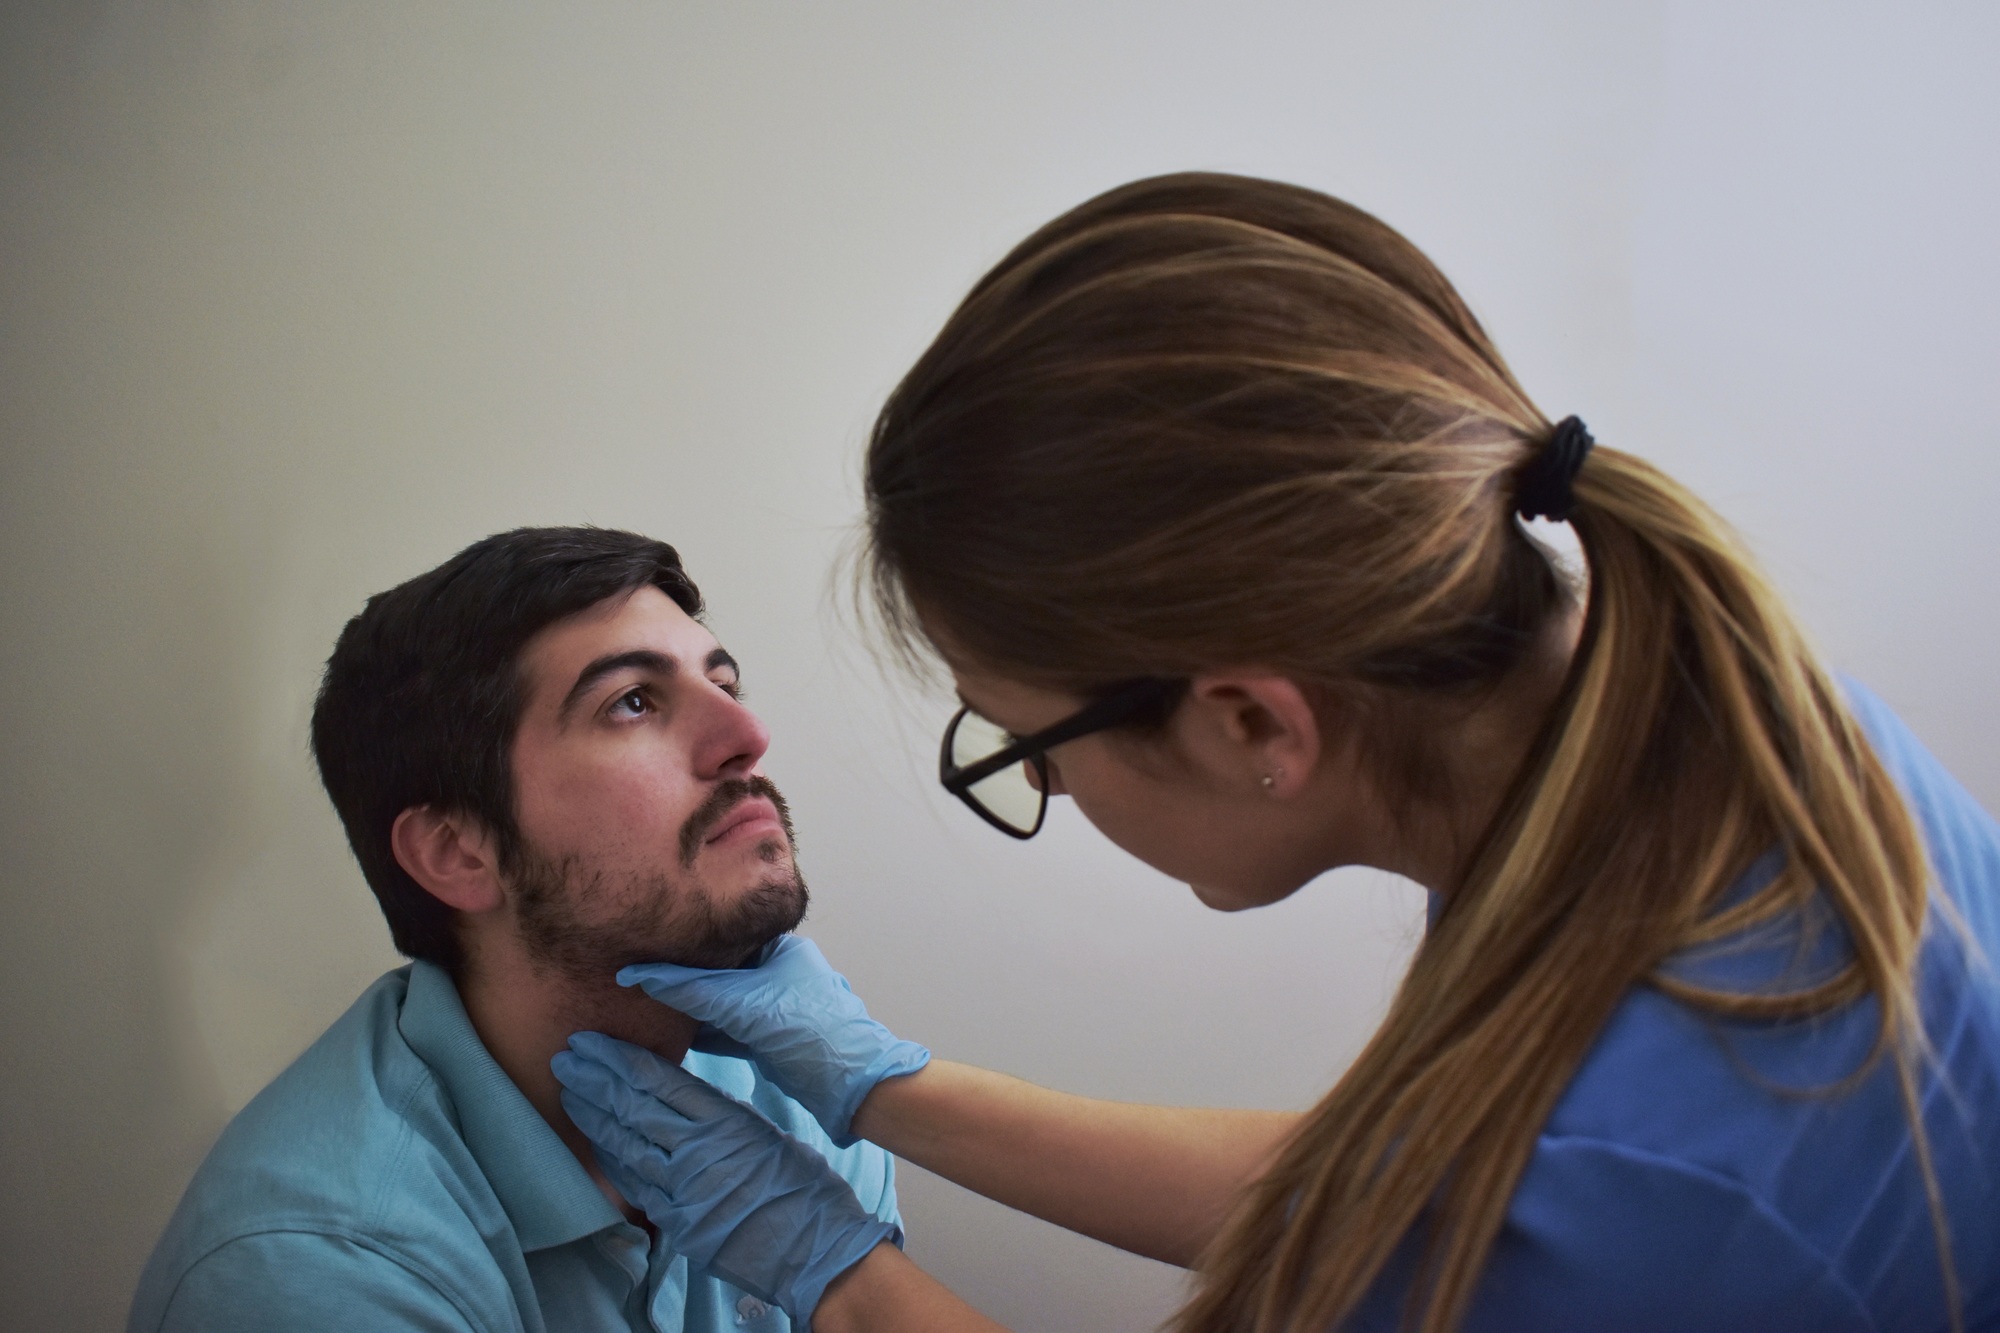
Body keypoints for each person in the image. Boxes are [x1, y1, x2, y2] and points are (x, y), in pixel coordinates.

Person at [554, 175, 2000, 1332]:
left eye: (1025, 740)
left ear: (1254, 721)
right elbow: (1417, 1189)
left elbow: (1519, 1224)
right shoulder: (1722, 734)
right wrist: (884, 1087)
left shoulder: (1631, 1219)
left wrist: (844, 1280)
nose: (1040, 782)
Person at [129, 527, 909, 1333]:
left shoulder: (802, 1084)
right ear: (458, 851)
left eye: (726, 682)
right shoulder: (313, 1274)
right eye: (633, 700)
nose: (748, 736)